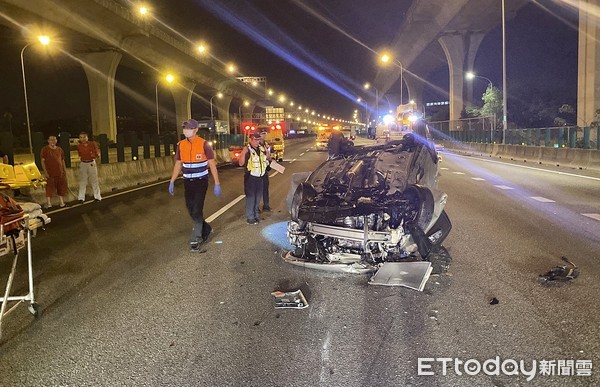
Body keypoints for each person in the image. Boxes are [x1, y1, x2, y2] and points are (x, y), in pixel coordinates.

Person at [169, 119, 221, 252]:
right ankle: (207, 228)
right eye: (185, 128)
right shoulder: (180, 145)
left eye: (189, 128)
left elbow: (212, 164)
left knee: (197, 210)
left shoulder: (204, 144)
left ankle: (196, 238)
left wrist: (217, 183)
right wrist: (172, 181)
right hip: (188, 182)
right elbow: (178, 164)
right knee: (191, 209)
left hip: (201, 182)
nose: (186, 130)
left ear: (196, 129)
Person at [239, 132, 268, 224]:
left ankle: (256, 215)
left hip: (260, 177)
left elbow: (267, 158)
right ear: (251, 140)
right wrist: (243, 152)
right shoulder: (247, 150)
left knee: (258, 197)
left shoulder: (261, 148)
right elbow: (240, 163)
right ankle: (250, 217)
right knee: (251, 198)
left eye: (258, 140)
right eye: (255, 140)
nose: (257, 142)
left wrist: (266, 150)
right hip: (250, 178)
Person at [40, 135, 68, 208]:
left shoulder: (59, 149)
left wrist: (64, 170)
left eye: (54, 139)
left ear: (56, 141)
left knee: (60, 187)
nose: (53, 141)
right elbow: (43, 161)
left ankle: (62, 202)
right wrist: (45, 172)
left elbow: (62, 160)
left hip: (60, 172)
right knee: (49, 188)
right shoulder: (45, 149)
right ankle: (49, 203)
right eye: (51, 140)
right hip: (50, 172)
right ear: (48, 141)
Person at [77, 131, 102, 203]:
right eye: (81, 137)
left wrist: (96, 157)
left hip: (91, 162)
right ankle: (81, 198)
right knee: (82, 181)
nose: (83, 139)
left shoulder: (92, 144)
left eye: (84, 137)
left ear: (87, 137)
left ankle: (97, 197)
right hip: (83, 163)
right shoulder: (79, 146)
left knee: (94, 180)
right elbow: (80, 154)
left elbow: (97, 153)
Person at [259, 132, 272, 212]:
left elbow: (268, 156)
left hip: (264, 170)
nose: (264, 136)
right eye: (262, 135)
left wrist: (270, 160)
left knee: (265, 189)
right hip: (257, 172)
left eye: (264, 135)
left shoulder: (265, 145)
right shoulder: (257, 147)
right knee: (258, 190)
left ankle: (266, 206)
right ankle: (256, 208)